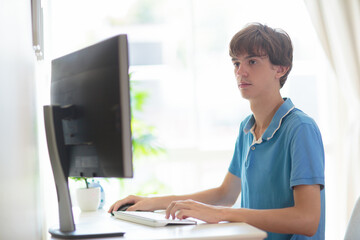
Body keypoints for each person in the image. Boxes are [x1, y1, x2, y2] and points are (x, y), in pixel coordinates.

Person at [108, 23, 325, 240]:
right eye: (236, 63)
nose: (241, 71)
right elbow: (225, 194)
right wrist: (152, 202)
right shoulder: (247, 128)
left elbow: (307, 220)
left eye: (252, 61)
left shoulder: (300, 129)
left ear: (280, 69)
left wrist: (220, 214)